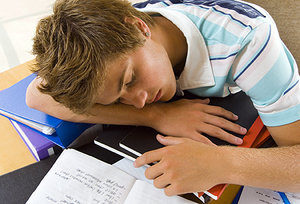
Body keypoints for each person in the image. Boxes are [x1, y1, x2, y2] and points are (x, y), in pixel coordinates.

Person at [26, 0, 300, 197]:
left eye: (130, 79)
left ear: (139, 27)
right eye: (118, 100)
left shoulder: (248, 41)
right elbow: (36, 96)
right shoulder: (106, 41)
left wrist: (220, 164)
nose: (140, 100)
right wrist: (156, 115)